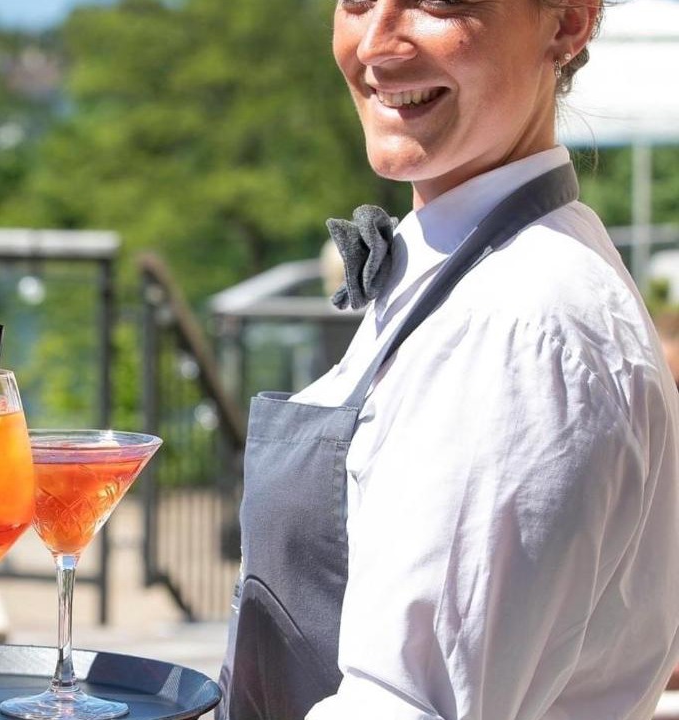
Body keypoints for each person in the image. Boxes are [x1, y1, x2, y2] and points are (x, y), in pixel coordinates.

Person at [219, 2, 679, 719]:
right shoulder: (472, 269)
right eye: (357, 2)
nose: (375, 44)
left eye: (435, 1)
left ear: (568, 22)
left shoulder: (518, 324)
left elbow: (401, 707)